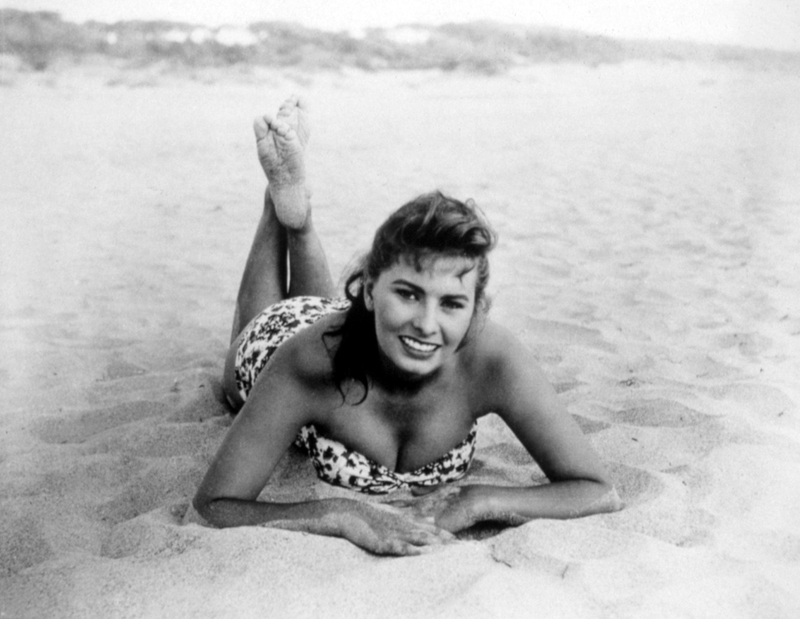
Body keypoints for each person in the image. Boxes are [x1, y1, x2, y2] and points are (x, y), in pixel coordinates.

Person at [193, 95, 623, 556]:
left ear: (476, 308)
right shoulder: (307, 359)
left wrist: (478, 498)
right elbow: (212, 507)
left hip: (355, 323)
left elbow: (597, 489)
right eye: (409, 293)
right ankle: (279, 212)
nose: (426, 324)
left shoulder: (492, 358)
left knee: (328, 311)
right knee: (267, 324)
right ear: (371, 286)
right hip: (287, 338)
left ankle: (299, 220)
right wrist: (343, 514)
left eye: (452, 303)